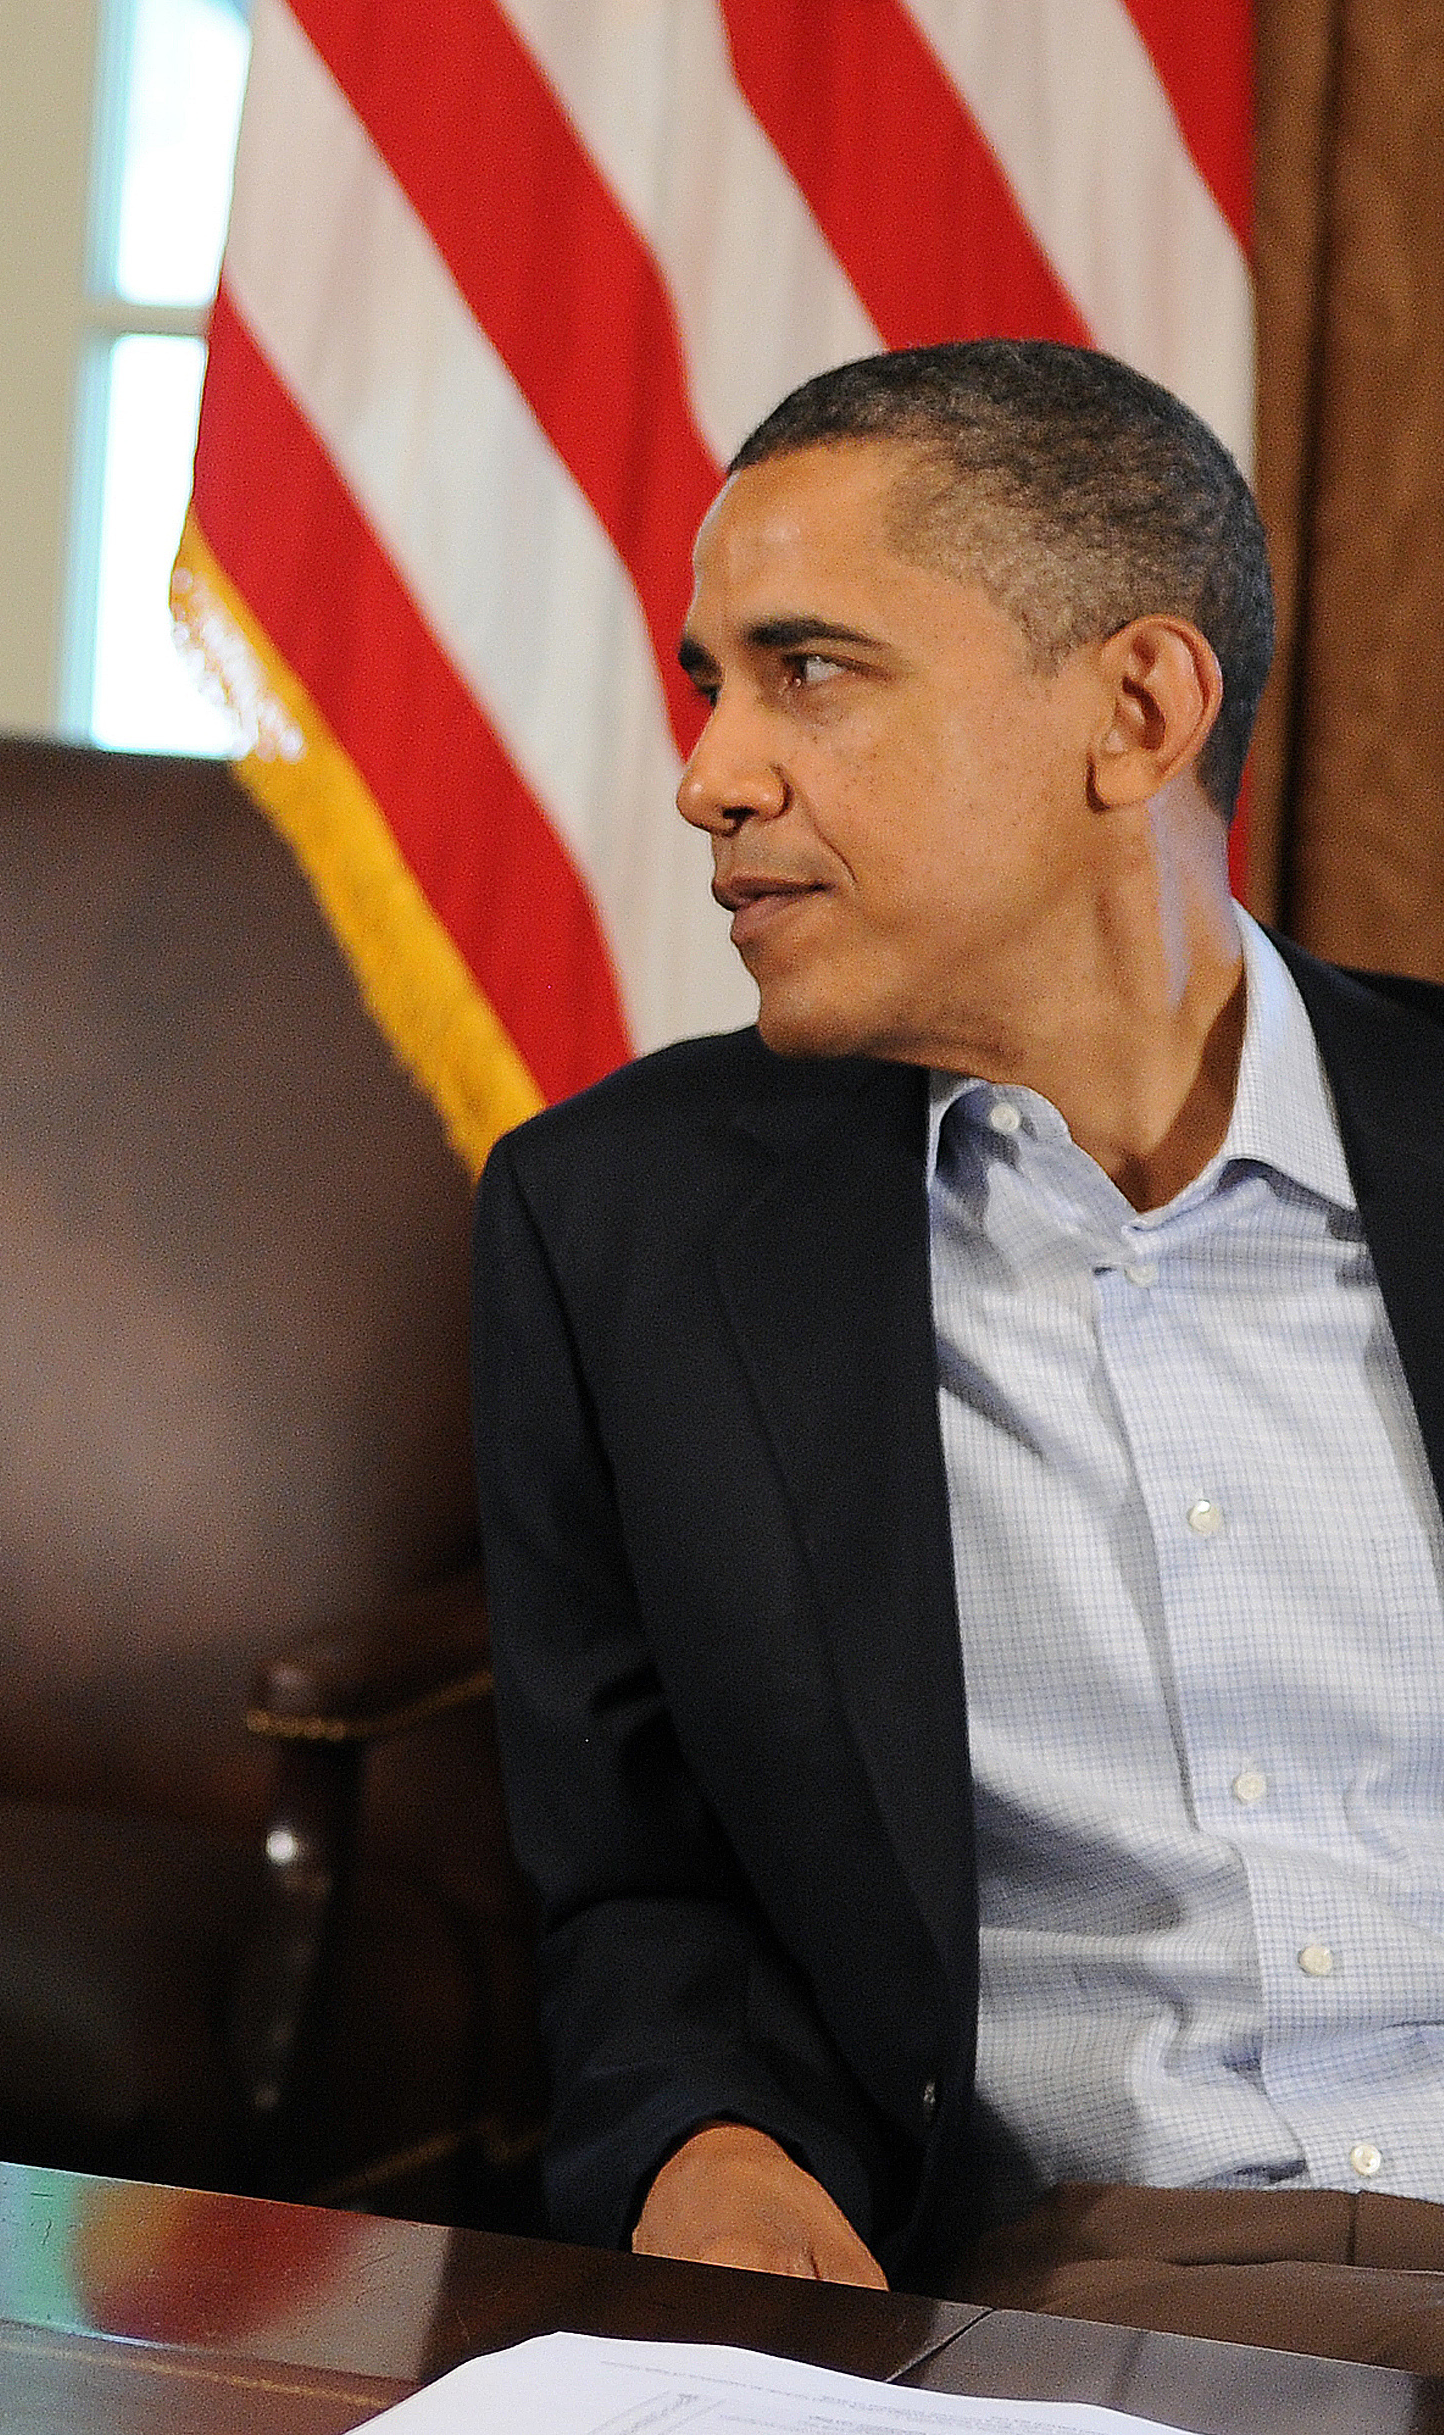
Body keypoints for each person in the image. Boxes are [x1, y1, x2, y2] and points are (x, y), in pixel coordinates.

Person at [478, 337, 1444, 2369]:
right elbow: (642, 1884)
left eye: (808, 670)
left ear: (1134, 710)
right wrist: (705, 2137)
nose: (712, 773)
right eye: (707, 684)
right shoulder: (620, 1230)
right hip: (1080, 2303)